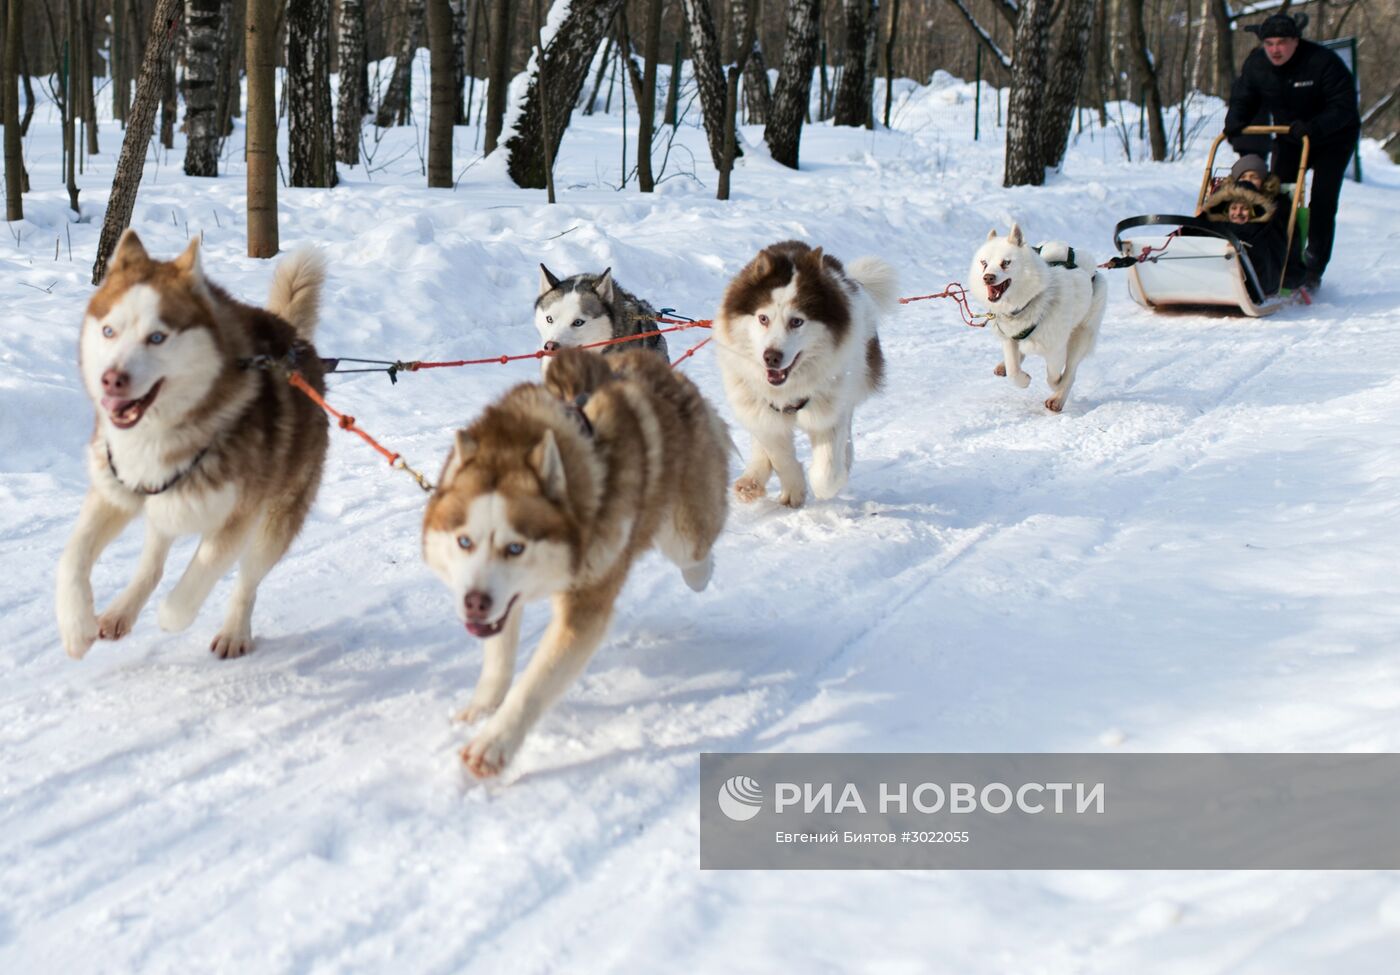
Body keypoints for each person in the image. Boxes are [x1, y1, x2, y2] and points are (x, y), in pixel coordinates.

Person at [1223, 13, 1359, 292]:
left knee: (1322, 200)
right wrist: (1235, 122)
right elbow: (1243, 98)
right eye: (1269, 43)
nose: (1275, 49)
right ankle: (1277, 259)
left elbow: (1344, 106)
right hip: (1290, 136)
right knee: (1276, 196)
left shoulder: (1322, 62)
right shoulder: (1258, 64)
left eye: (1282, 43)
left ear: (1296, 41)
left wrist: (1314, 127)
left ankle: (1313, 266)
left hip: (1333, 137)